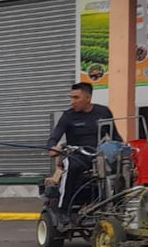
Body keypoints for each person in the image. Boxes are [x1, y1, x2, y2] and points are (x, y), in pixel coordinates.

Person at [45, 82, 121, 212]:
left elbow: (115, 136)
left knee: (123, 167)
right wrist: (52, 147)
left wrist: (122, 149)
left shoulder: (103, 112)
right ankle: (63, 210)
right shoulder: (68, 116)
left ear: (87, 98)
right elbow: (54, 136)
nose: (72, 102)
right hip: (77, 155)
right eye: (71, 97)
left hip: (99, 155)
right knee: (71, 166)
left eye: (76, 98)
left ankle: (117, 206)